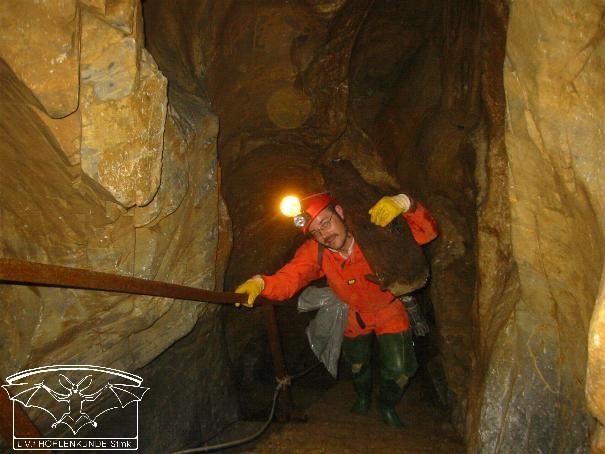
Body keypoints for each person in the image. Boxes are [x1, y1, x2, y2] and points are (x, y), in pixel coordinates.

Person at [235, 192, 438, 427]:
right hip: (355, 313)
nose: (325, 234)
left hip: (389, 309)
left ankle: (387, 405)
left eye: (326, 222)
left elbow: (427, 233)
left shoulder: (373, 232)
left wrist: (406, 203)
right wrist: (261, 283)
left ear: (340, 212)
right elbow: (290, 278)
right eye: (316, 231)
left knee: (400, 368)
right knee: (357, 363)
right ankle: (362, 396)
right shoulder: (317, 252)